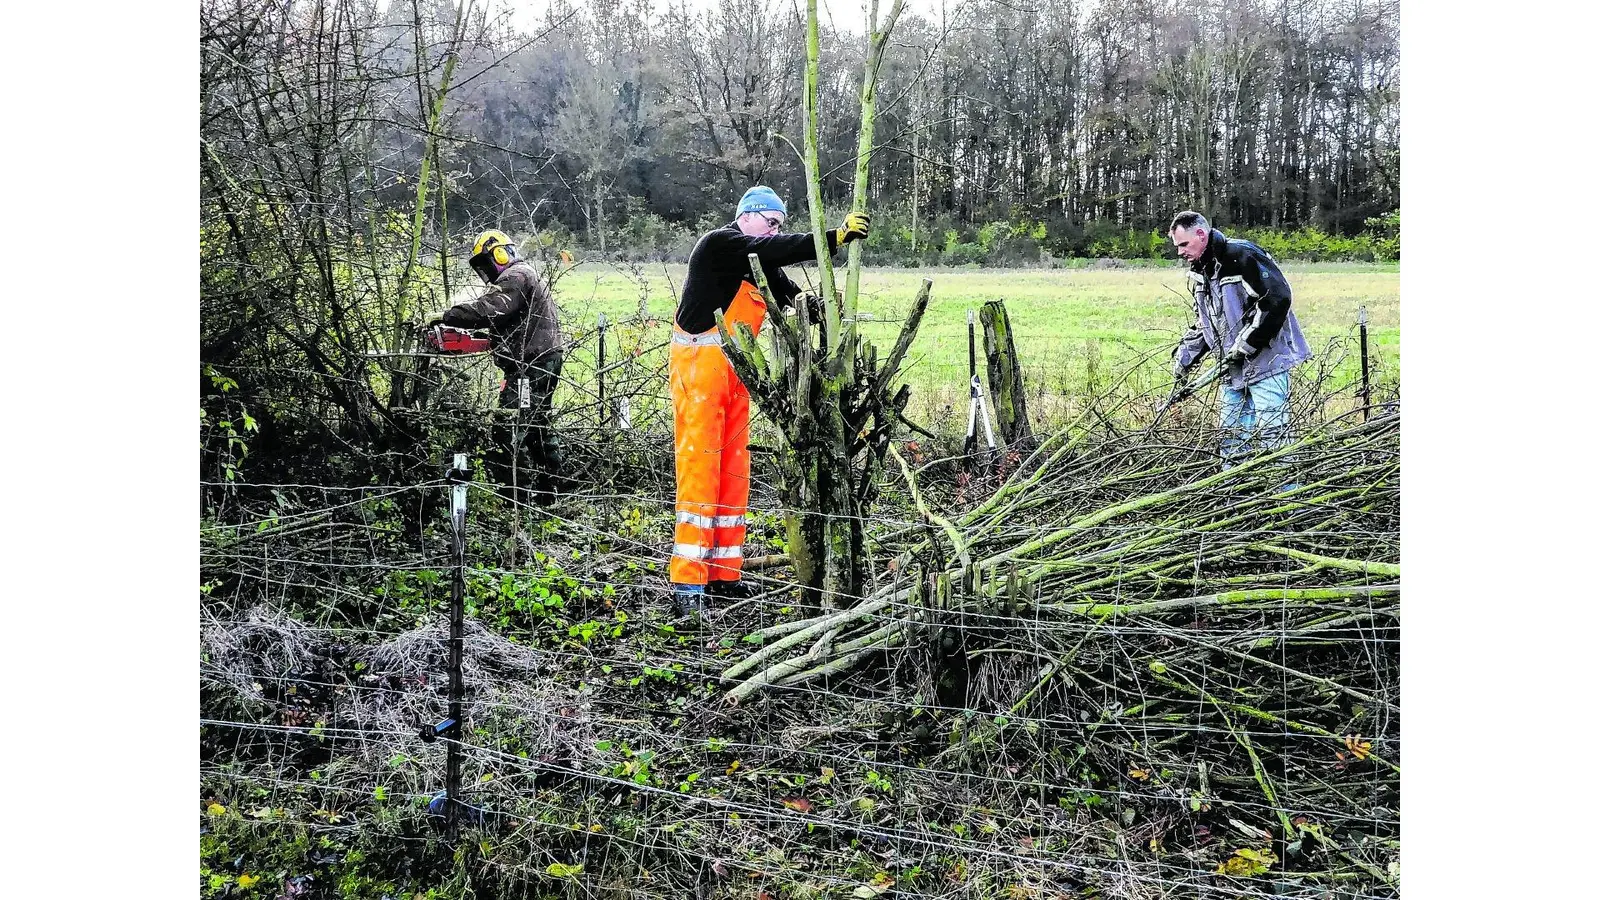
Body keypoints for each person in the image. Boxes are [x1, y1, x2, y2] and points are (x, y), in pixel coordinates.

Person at [669, 186, 870, 616]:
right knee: (700, 470)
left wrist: (828, 313)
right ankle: (687, 587)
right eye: (770, 222)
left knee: (734, 472)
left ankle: (723, 575)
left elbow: (790, 294)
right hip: (699, 370)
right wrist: (834, 237)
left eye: (780, 224)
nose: (775, 231)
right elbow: (779, 249)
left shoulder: (757, 266)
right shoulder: (721, 244)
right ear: (747, 217)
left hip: (737, 376)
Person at [426, 230, 564, 503]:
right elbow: (504, 321)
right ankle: (552, 490)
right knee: (537, 425)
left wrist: (446, 315)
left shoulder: (515, 276)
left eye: (485, 262)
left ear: (500, 254)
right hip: (541, 359)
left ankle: (516, 497)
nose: (485, 270)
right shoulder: (523, 276)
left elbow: (488, 310)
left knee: (507, 427)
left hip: (530, 364)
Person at [1168, 211, 1311, 464]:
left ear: (1201, 234)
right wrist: (1183, 360)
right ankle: (1232, 496)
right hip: (1231, 370)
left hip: (1266, 363)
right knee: (1230, 438)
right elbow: (1205, 324)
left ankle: (1287, 495)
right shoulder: (1201, 272)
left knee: (1273, 435)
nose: (1180, 252)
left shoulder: (1242, 256)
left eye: (1183, 244)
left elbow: (1277, 300)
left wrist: (1245, 345)